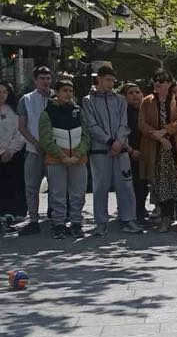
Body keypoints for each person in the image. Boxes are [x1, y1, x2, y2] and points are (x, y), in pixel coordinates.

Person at [81, 64, 143, 236]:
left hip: (120, 150)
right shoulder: (88, 100)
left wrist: (119, 142)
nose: (110, 83)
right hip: (100, 151)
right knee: (100, 187)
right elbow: (91, 125)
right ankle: (101, 223)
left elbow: (124, 124)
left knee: (126, 186)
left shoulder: (120, 100)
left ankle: (128, 219)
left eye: (113, 80)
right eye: (107, 80)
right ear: (99, 79)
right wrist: (109, 141)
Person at [139, 70, 177, 233]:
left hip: (176, 149)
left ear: (169, 84)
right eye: (155, 80)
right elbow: (142, 124)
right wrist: (160, 138)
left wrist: (166, 130)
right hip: (157, 150)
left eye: (161, 80)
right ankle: (166, 218)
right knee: (162, 185)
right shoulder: (147, 101)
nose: (157, 83)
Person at [37, 79, 90, 239]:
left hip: (78, 160)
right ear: (57, 92)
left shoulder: (78, 111)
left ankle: (76, 223)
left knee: (78, 194)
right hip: (56, 161)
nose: (68, 94)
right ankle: (59, 224)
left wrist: (77, 155)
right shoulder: (47, 113)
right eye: (64, 91)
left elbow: (86, 136)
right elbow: (45, 139)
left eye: (70, 91)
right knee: (57, 194)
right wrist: (62, 156)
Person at [16, 65, 53, 235]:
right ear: (35, 80)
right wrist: (35, 143)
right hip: (34, 150)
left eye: (48, 78)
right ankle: (33, 220)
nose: (45, 82)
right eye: (42, 79)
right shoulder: (27, 100)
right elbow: (22, 127)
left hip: (54, 150)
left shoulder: (57, 96)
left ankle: (56, 218)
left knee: (57, 186)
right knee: (31, 187)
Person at [0, 80, 26, 228]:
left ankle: (14, 213)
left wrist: (10, 150)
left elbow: (20, 133)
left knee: (13, 184)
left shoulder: (13, 111)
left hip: (12, 155)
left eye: (5, 92)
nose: (2, 95)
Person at [123, 83, 149, 224]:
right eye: (131, 93)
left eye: (137, 92)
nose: (135, 95)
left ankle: (142, 209)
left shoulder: (147, 111)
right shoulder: (123, 113)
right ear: (125, 97)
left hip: (147, 152)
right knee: (134, 185)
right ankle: (135, 213)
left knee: (144, 185)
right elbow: (121, 133)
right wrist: (131, 150)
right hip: (129, 152)